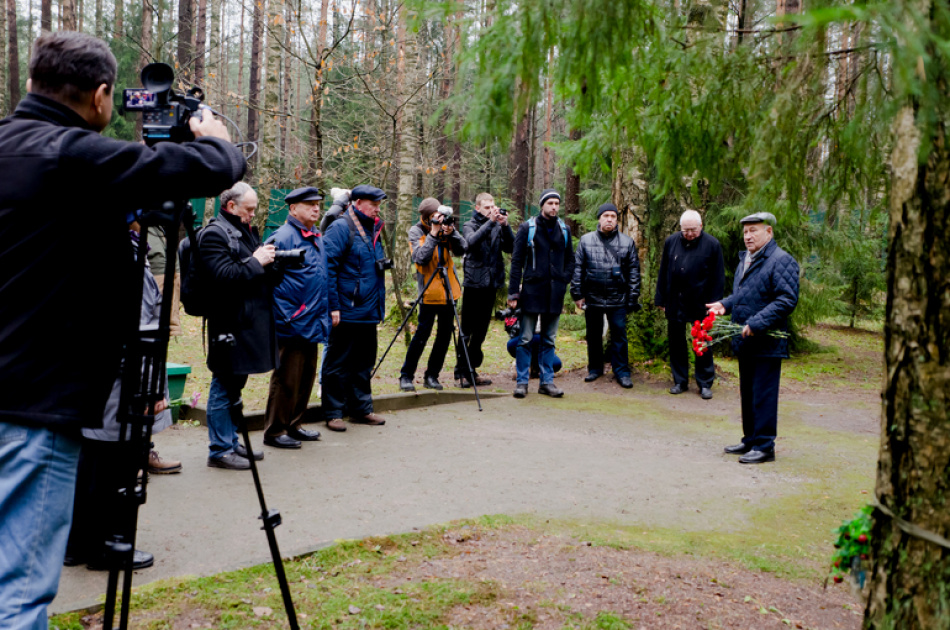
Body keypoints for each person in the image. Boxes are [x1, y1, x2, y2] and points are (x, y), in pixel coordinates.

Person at [0, 31, 244, 628]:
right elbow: (213, 169)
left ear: (33, 81)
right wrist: (213, 136)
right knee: (19, 591)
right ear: (103, 95)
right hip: (34, 402)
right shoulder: (73, 155)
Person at [64, 225, 173, 572]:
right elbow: (136, 331)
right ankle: (106, 547)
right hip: (119, 380)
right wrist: (149, 387)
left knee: (91, 462)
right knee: (113, 465)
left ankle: (78, 544)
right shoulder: (121, 250)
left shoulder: (89, 241)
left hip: (94, 377)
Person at [706, 212, 799, 464]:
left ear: (768, 232)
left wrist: (756, 323)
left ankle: (765, 446)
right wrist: (725, 304)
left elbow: (786, 299)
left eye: (754, 231)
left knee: (763, 394)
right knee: (748, 392)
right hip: (745, 339)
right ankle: (750, 440)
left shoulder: (781, 260)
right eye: (745, 232)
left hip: (767, 341)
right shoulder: (746, 259)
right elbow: (745, 294)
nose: (748, 236)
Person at [202, 182, 277, 470]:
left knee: (236, 383)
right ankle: (219, 449)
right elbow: (222, 276)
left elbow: (251, 271)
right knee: (224, 382)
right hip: (228, 322)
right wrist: (257, 261)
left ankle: (231, 441)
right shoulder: (213, 235)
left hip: (246, 320)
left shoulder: (242, 231)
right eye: (249, 209)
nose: (252, 215)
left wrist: (271, 262)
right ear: (230, 206)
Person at [261, 187, 330, 449]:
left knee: (305, 378)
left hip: (312, 318)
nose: (316, 208)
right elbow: (267, 282)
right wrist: (287, 314)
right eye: (309, 204)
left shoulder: (315, 236)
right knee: (286, 379)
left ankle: (294, 424)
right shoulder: (282, 237)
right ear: (293, 209)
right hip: (291, 320)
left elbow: (321, 277)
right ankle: (275, 431)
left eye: (317, 204)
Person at [322, 185, 390, 431]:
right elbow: (327, 267)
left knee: (364, 361)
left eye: (379, 204)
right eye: (374, 204)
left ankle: (361, 409)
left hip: (368, 310)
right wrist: (334, 306)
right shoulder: (341, 227)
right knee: (338, 362)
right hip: (346, 309)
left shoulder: (374, 228)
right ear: (358, 203)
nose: (377, 209)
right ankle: (333, 412)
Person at [508, 188, 575, 398]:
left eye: (557, 203)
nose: (554, 207)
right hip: (532, 292)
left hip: (554, 293)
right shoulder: (528, 228)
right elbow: (517, 262)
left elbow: (570, 259)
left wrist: (564, 279)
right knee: (525, 339)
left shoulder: (564, 230)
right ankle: (522, 382)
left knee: (549, 339)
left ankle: (547, 382)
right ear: (542, 205)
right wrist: (513, 293)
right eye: (550, 203)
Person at [655, 209, 725, 399]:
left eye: (693, 230)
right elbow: (663, 272)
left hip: (701, 302)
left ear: (701, 226)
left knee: (702, 342)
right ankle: (680, 381)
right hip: (675, 301)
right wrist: (660, 299)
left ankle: (704, 382)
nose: (689, 234)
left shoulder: (712, 244)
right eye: (685, 230)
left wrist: (716, 303)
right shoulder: (671, 242)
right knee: (676, 342)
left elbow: (718, 276)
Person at [399, 198, 467, 392]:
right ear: (426, 217)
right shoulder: (416, 231)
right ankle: (406, 375)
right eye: (433, 217)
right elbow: (420, 258)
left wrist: (452, 233)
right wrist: (434, 233)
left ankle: (432, 375)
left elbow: (463, 249)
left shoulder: (447, 227)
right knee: (422, 335)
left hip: (448, 291)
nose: (438, 219)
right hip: (428, 293)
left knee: (445, 336)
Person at [570, 203, 641, 388]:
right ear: (599, 218)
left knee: (619, 335)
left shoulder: (627, 242)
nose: (609, 219)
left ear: (617, 220)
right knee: (593, 335)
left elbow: (634, 271)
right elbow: (578, 269)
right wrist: (577, 294)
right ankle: (594, 368)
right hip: (592, 297)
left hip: (618, 298)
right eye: (606, 216)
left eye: (613, 216)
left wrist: (632, 297)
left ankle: (622, 372)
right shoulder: (586, 241)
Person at [454, 192, 514, 388]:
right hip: (474, 284)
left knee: (481, 332)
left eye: (493, 207)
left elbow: (510, 247)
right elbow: (470, 243)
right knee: (467, 330)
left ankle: (472, 370)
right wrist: (491, 222)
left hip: (491, 284)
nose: (491, 211)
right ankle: (461, 371)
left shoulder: (497, 225)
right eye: (487, 208)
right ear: (478, 208)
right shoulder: (469, 225)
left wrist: (505, 225)